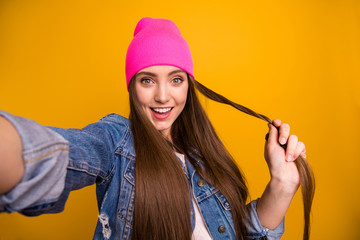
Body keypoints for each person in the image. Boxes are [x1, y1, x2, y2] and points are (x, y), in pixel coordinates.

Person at [0, 17, 309, 240]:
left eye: (176, 79)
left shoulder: (203, 155)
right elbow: (56, 154)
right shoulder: (117, 142)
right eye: (147, 79)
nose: (163, 96)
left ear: (189, 83)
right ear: (132, 86)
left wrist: (283, 185)